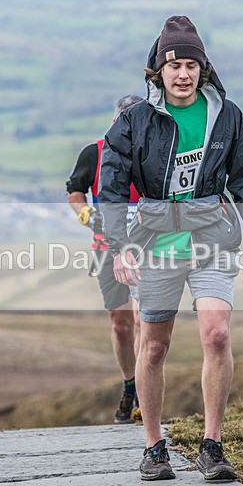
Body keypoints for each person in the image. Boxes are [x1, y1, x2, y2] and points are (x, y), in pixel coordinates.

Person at [99, 15, 243, 481]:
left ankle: (212, 446)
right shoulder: (135, 121)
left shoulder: (227, 115)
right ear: (159, 71)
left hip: (211, 236)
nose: (183, 74)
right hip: (155, 242)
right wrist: (119, 247)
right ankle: (153, 447)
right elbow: (111, 186)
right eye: (174, 65)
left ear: (203, 69)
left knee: (216, 334)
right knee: (155, 346)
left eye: (191, 65)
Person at [66, 94, 144, 424]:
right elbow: (75, 191)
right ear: (114, 122)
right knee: (121, 324)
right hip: (106, 249)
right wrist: (86, 215)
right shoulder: (94, 153)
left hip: (146, 249)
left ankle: (144, 392)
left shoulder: (153, 155)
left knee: (144, 320)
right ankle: (129, 385)